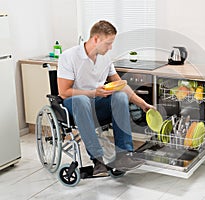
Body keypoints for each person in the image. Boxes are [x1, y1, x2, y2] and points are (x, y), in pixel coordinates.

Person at [57, 20, 154, 176]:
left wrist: (143, 104)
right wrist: (93, 93)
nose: (110, 48)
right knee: (81, 101)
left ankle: (123, 156)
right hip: (75, 103)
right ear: (96, 39)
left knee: (120, 96)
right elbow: (64, 92)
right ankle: (97, 160)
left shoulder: (105, 58)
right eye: (108, 43)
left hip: (98, 103)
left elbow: (120, 84)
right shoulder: (69, 57)